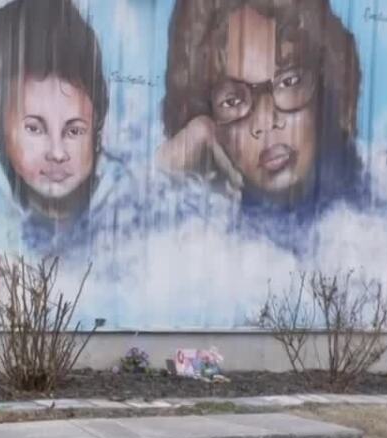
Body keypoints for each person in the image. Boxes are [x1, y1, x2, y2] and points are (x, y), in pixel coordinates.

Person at [157, 0, 366, 252]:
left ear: (326, 82)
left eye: (289, 81)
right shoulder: (194, 234)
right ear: (203, 112)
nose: (267, 121)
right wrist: (166, 175)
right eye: (232, 99)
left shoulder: (374, 209)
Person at [0, 0, 110, 243]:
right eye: (35, 129)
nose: (57, 153)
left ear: (97, 127)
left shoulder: (127, 207)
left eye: (74, 130)